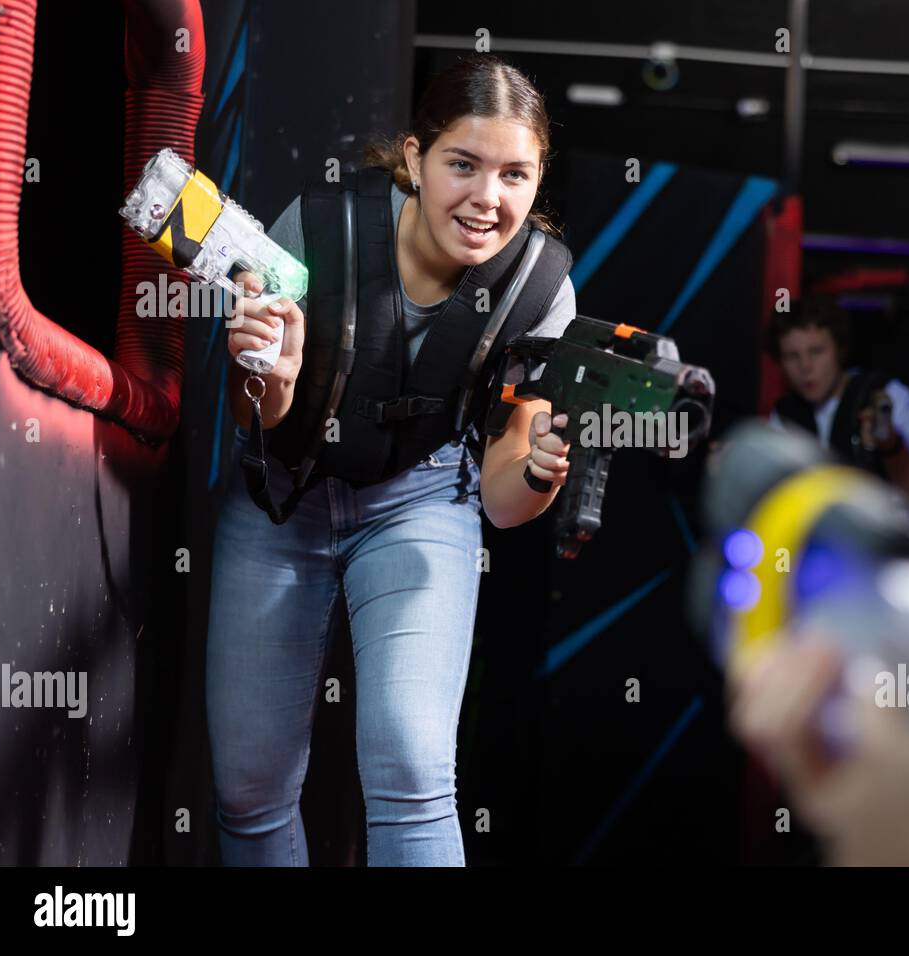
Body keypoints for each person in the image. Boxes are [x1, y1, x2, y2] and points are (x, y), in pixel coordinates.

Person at [206, 54, 575, 866]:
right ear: (413, 158)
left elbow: (508, 501)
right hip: (284, 499)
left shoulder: (542, 287)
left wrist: (544, 467)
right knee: (247, 789)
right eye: (463, 164)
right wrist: (275, 375)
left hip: (421, 500)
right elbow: (252, 419)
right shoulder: (315, 227)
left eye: (516, 174)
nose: (488, 198)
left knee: (411, 764)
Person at [766, 298, 909, 505]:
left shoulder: (887, 396)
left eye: (816, 351)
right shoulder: (785, 414)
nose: (805, 366)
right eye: (792, 356)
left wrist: (890, 445)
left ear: (839, 350)